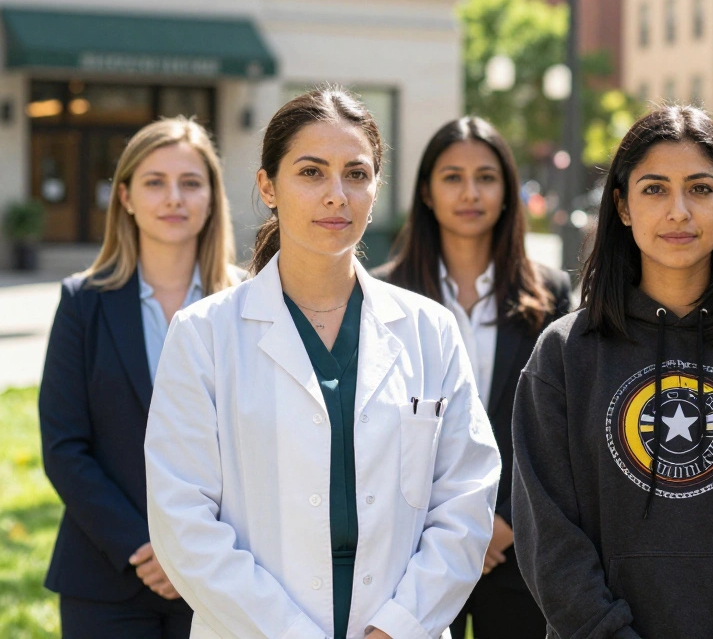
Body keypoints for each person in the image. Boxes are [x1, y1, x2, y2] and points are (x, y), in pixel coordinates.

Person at [143, 87, 501, 639]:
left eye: (356, 174)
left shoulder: (430, 330)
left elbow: (467, 498)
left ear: (376, 186)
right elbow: (182, 521)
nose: (337, 195)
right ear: (268, 186)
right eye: (311, 173)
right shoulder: (203, 336)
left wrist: (397, 628)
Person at [511, 105, 713, 638]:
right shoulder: (564, 354)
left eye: (702, 189)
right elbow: (548, 535)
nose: (679, 212)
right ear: (621, 206)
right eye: (655, 189)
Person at [39, 117, 239, 638]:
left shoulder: (251, 306)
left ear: (213, 197)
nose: (174, 197)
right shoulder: (84, 303)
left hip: (226, 574)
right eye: (155, 181)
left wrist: (192, 546)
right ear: (125, 197)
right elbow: (64, 446)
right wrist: (141, 546)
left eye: (191, 182)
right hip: (106, 575)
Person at [378, 116, 571, 639]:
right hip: (411, 550)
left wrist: (501, 521)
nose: (470, 192)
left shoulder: (550, 295)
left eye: (486, 177)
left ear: (508, 190)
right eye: (452, 177)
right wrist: (450, 533)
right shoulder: (380, 297)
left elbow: (559, 427)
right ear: (425, 191)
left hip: (515, 545)